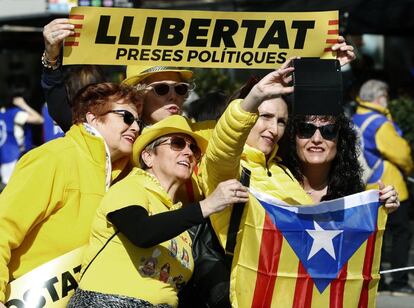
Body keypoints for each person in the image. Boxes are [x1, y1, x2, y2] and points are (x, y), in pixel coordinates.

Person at [196, 58, 400, 306]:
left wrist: (373, 202)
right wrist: (256, 95)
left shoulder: (282, 171)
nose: (273, 128)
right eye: (264, 116)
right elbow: (223, 149)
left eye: (281, 121)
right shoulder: (230, 169)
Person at [67, 115, 248, 307]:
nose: (188, 153)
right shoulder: (131, 186)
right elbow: (141, 232)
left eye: (193, 149)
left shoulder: (180, 222)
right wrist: (208, 205)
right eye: (178, 144)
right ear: (148, 156)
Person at [0, 82, 143, 305]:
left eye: (138, 122)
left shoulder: (126, 178)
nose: (135, 127)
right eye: (126, 117)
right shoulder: (54, 157)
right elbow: (2, 228)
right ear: (93, 118)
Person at [352, 79, 413, 295]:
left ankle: (373, 282)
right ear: (380, 98)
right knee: (400, 234)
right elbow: (402, 154)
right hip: (389, 185)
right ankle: (398, 282)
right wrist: (407, 169)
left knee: (375, 236)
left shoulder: (354, 118)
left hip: (364, 187)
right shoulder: (380, 123)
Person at [0, 77, 44, 184]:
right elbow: (39, 119)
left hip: (4, 159)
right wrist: (23, 105)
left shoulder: (2, 114)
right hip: (16, 158)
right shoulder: (15, 113)